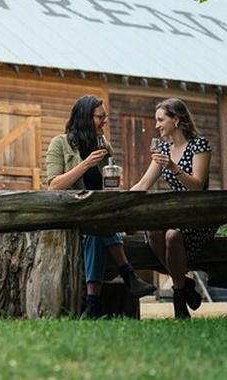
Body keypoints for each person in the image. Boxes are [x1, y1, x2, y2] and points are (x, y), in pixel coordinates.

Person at [46, 94, 156, 319]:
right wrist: (86, 164)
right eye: (100, 117)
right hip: (72, 213)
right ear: (85, 118)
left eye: (105, 116)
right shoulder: (60, 143)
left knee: (97, 233)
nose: (104, 121)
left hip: (98, 218)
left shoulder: (103, 147)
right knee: (98, 229)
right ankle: (128, 275)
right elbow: (54, 185)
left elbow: (109, 187)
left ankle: (93, 304)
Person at [130, 97, 217, 319]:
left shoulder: (199, 145)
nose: (157, 125)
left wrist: (173, 167)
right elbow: (142, 185)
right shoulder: (164, 149)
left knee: (172, 236)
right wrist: (118, 200)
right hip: (176, 213)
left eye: (161, 120)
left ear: (176, 120)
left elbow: (197, 186)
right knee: (153, 231)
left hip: (199, 215)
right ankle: (184, 283)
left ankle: (179, 296)